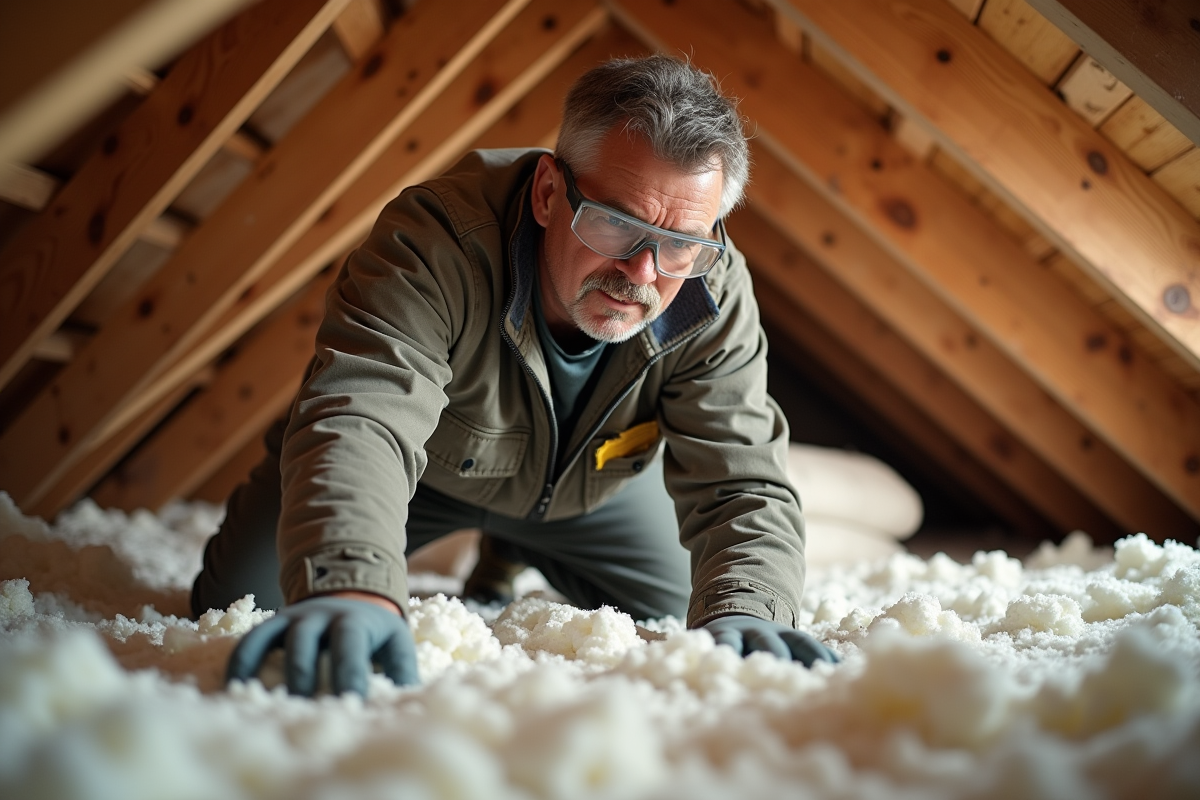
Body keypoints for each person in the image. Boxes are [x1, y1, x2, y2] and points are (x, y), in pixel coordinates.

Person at [194, 55, 837, 697]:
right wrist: (352, 581)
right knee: (239, 602)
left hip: (589, 493)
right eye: (616, 223)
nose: (643, 273)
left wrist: (751, 608)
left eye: (679, 244)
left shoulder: (712, 286)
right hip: (425, 472)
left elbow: (741, 474)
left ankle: (512, 549)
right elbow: (365, 413)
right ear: (549, 193)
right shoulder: (435, 241)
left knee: (694, 604)